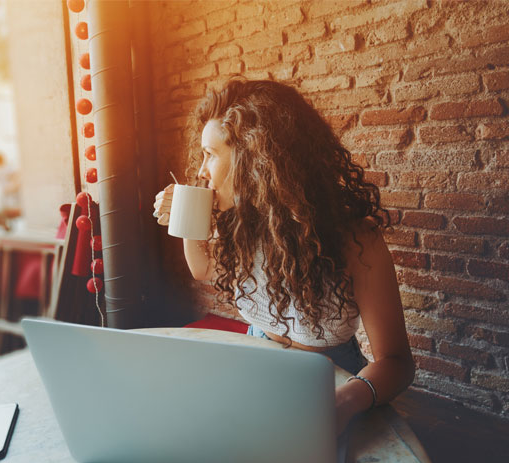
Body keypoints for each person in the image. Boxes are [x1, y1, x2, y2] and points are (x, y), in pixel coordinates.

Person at [153, 78, 414, 435]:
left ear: (257, 158)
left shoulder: (356, 240)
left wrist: (343, 403)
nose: (201, 170)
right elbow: (201, 270)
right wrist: (186, 216)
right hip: (257, 361)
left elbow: (397, 362)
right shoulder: (241, 222)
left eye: (210, 155)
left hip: (333, 379)